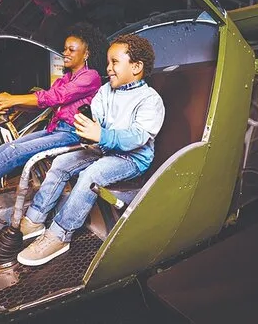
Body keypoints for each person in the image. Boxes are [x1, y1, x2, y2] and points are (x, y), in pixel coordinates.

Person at [17, 34, 164, 266]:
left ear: (136, 67)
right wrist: (89, 125)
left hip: (132, 158)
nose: (109, 68)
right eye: (108, 62)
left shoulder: (149, 100)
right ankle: (34, 220)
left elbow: (138, 137)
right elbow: (97, 117)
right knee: (61, 163)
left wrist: (102, 135)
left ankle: (60, 235)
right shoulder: (106, 91)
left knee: (91, 175)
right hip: (103, 149)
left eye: (114, 62)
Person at [0, 22, 108, 185]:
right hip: (55, 130)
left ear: (86, 54)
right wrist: (13, 105)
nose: (65, 53)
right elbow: (44, 104)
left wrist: (13, 99)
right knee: (6, 148)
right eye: (65, 49)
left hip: (72, 133)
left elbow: (57, 96)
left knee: (15, 152)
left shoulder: (91, 76)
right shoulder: (64, 79)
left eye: (71, 50)